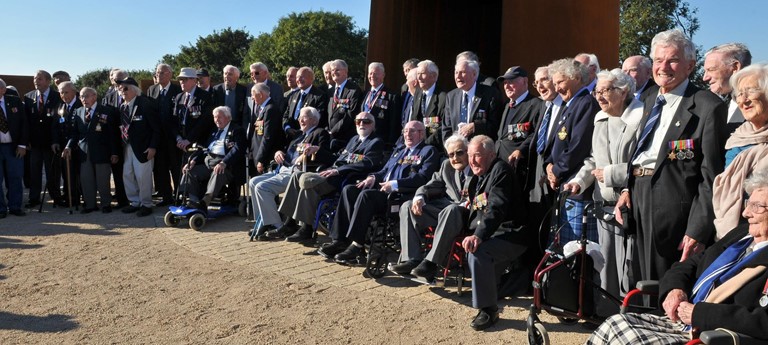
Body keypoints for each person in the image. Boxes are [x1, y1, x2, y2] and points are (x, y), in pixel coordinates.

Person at [587, 171, 768, 344]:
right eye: (747, 204)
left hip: (713, 334)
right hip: (682, 321)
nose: (745, 213)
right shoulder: (741, 236)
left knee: (632, 340)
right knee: (614, 325)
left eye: (757, 207)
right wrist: (674, 289)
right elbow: (689, 264)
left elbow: (763, 321)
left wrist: (700, 314)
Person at [615, 29, 728, 283]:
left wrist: (698, 229)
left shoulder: (708, 106)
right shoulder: (649, 98)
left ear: (689, 66)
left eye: (672, 60)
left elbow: (711, 176)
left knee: (666, 287)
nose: (663, 67)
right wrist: (626, 190)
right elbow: (643, 152)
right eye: (658, 60)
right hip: (639, 201)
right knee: (638, 282)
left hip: (676, 216)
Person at [561, 69, 644, 308]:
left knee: (629, 267)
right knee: (607, 265)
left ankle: (630, 314)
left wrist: (611, 174)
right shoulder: (600, 118)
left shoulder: (641, 118)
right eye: (597, 91)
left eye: (605, 91)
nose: (599, 96)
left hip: (630, 206)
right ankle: (606, 314)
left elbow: (645, 164)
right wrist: (579, 181)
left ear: (624, 91)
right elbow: (593, 160)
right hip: (603, 204)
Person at [318, 121, 440, 263]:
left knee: (366, 196)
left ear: (422, 133)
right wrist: (372, 177)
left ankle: (357, 245)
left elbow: (422, 178)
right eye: (405, 131)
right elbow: (384, 171)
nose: (407, 134)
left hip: (399, 196)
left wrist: (394, 184)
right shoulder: (399, 150)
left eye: (412, 131)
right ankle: (339, 240)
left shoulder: (428, 151)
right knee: (349, 190)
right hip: (381, 192)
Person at [274, 112, 385, 242]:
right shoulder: (354, 139)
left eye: (366, 121)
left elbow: (367, 163)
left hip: (344, 177)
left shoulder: (376, 142)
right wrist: (318, 150)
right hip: (331, 172)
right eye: (358, 121)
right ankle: (290, 223)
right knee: (297, 177)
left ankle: (306, 229)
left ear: (373, 125)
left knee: (306, 181)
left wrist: (338, 171)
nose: (361, 124)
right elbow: (338, 158)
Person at [462, 135, 527, 331]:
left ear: (491, 154)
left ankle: (488, 310)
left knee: (478, 252)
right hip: (494, 233)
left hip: (512, 234)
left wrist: (478, 235)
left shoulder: (500, 170)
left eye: (478, 155)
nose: (472, 161)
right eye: (470, 155)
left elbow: (496, 209)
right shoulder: (479, 176)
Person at [391, 134, 471, 275]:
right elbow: (431, 184)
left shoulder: (476, 166)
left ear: (468, 151)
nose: (455, 158)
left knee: (451, 209)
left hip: (466, 213)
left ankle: (431, 263)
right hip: (445, 209)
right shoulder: (447, 165)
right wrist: (419, 197)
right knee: (407, 206)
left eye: (459, 153)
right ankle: (411, 260)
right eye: (451, 154)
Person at [250, 106, 333, 238]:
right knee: (253, 182)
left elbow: (328, 156)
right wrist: (278, 152)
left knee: (262, 187)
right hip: (282, 168)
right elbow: (285, 149)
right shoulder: (298, 135)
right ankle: (264, 220)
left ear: (314, 121)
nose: (300, 120)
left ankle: (277, 225)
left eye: (304, 117)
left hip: (296, 172)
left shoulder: (319, 133)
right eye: (299, 117)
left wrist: (315, 150)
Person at [545, 58, 600, 244]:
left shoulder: (586, 104)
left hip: (577, 189)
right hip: (563, 184)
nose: (557, 88)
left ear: (576, 77)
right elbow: (555, 143)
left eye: (560, 82)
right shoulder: (568, 106)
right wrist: (549, 166)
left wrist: (556, 171)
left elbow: (579, 147)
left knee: (574, 249)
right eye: (554, 83)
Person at [712, 63, 768, 239]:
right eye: (740, 94)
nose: (744, 100)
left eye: (751, 91)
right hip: (728, 230)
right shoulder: (736, 137)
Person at [63, 87, 119, 214]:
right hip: (84, 151)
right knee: (86, 179)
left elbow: (112, 134)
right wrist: (68, 146)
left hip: (102, 151)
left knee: (102, 179)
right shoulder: (78, 111)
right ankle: (90, 204)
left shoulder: (106, 111)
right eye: (81, 96)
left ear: (94, 96)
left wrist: (114, 152)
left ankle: (105, 204)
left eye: (86, 96)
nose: (83, 99)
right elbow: (74, 133)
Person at [181, 106, 246, 210]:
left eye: (219, 117)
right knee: (190, 171)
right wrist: (194, 160)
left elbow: (237, 150)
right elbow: (204, 149)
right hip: (209, 162)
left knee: (217, 172)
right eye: (215, 117)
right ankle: (193, 200)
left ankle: (204, 202)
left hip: (226, 165)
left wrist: (224, 162)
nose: (216, 120)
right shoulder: (213, 130)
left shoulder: (237, 130)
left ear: (228, 118)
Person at [116, 77, 161, 217]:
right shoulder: (122, 106)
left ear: (135, 90)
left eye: (125, 88)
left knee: (143, 176)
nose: (122, 91)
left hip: (143, 147)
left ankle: (146, 204)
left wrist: (153, 146)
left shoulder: (145, 104)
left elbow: (157, 128)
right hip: (127, 147)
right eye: (120, 89)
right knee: (127, 174)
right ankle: (134, 202)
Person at [495, 66, 542, 185]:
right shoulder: (506, 105)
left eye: (511, 82)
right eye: (505, 83)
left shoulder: (536, 105)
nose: (507, 86)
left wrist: (521, 150)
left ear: (525, 81)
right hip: (501, 165)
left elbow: (536, 134)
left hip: (520, 168)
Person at [24, 70, 62, 208]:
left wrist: (56, 140)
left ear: (48, 81)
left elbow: (58, 121)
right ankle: (34, 198)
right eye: (35, 78)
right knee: (34, 171)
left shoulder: (57, 96)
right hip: (34, 143)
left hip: (51, 142)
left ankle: (55, 196)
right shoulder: (28, 97)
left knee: (53, 171)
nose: (36, 81)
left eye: (39, 79)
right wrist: (25, 140)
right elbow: (26, 122)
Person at [148, 63, 182, 207]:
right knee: (161, 169)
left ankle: (179, 196)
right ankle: (166, 197)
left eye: (162, 73)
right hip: (158, 137)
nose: (158, 75)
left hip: (173, 137)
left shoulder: (178, 90)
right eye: (157, 73)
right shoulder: (152, 90)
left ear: (169, 74)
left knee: (175, 168)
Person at [442, 59, 501, 142]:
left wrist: (475, 127)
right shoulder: (451, 96)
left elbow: (496, 125)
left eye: (462, 72)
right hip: (457, 150)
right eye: (456, 72)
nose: (458, 76)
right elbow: (446, 128)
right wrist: (449, 148)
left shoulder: (490, 94)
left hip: (480, 148)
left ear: (474, 74)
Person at [703, 43, 752, 135]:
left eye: (711, 70)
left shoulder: (761, 106)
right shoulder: (722, 103)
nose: (705, 78)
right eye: (705, 71)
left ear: (735, 68)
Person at [0, 78, 28, 217]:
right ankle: (1, 209)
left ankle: (15, 206)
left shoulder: (14, 101)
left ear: (3, 90)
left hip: (14, 146)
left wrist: (22, 145)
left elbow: (24, 124)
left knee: (15, 177)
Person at [52, 81, 83, 208]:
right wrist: (54, 141)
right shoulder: (60, 106)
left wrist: (70, 144)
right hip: (65, 147)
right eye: (61, 92)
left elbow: (78, 130)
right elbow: (55, 126)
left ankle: (79, 197)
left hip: (79, 145)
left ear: (74, 92)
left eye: (66, 92)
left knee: (79, 174)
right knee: (66, 173)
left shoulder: (81, 105)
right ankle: (70, 196)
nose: (64, 95)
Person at [246, 83, 285, 177]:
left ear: (260, 95)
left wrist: (261, 159)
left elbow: (268, 136)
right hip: (257, 155)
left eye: (253, 94)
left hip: (266, 158)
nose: (251, 98)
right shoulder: (263, 109)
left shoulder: (270, 109)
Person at [283, 67, 329, 141]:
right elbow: (286, 115)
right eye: (297, 77)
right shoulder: (293, 96)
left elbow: (319, 117)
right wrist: (287, 128)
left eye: (302, 77)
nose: (299, 79)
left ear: (311, 78)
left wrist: (303, 130)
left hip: (309, 137)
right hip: (290, 137)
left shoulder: (319, 96)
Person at [326, 59, 364, 147]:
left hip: (345, 138)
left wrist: (333, 131)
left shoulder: (354, 90)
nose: (334, 72)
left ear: (345, 71)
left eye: (337, 70)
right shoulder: (329, 92)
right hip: (330, 136)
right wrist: (327, 130)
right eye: (332, 70)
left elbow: (350, 114)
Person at [362, 62, 400, 145]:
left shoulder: (391, 96)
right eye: (370, 73)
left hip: (380, 140)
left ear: (383, 75)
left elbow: (393, 122)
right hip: (363, 137)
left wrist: (390, 142)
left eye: (375, 73)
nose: (372, 76)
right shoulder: (365, 94)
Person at [414, 60, 446, 146]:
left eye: (422, 74)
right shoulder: (418, 93)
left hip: (433, 145)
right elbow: (414, 118)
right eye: (418, 74)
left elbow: (442, 125)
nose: (419, 78)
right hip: (416, 143)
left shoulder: (443, 97)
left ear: (434, 76)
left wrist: (426, 143)